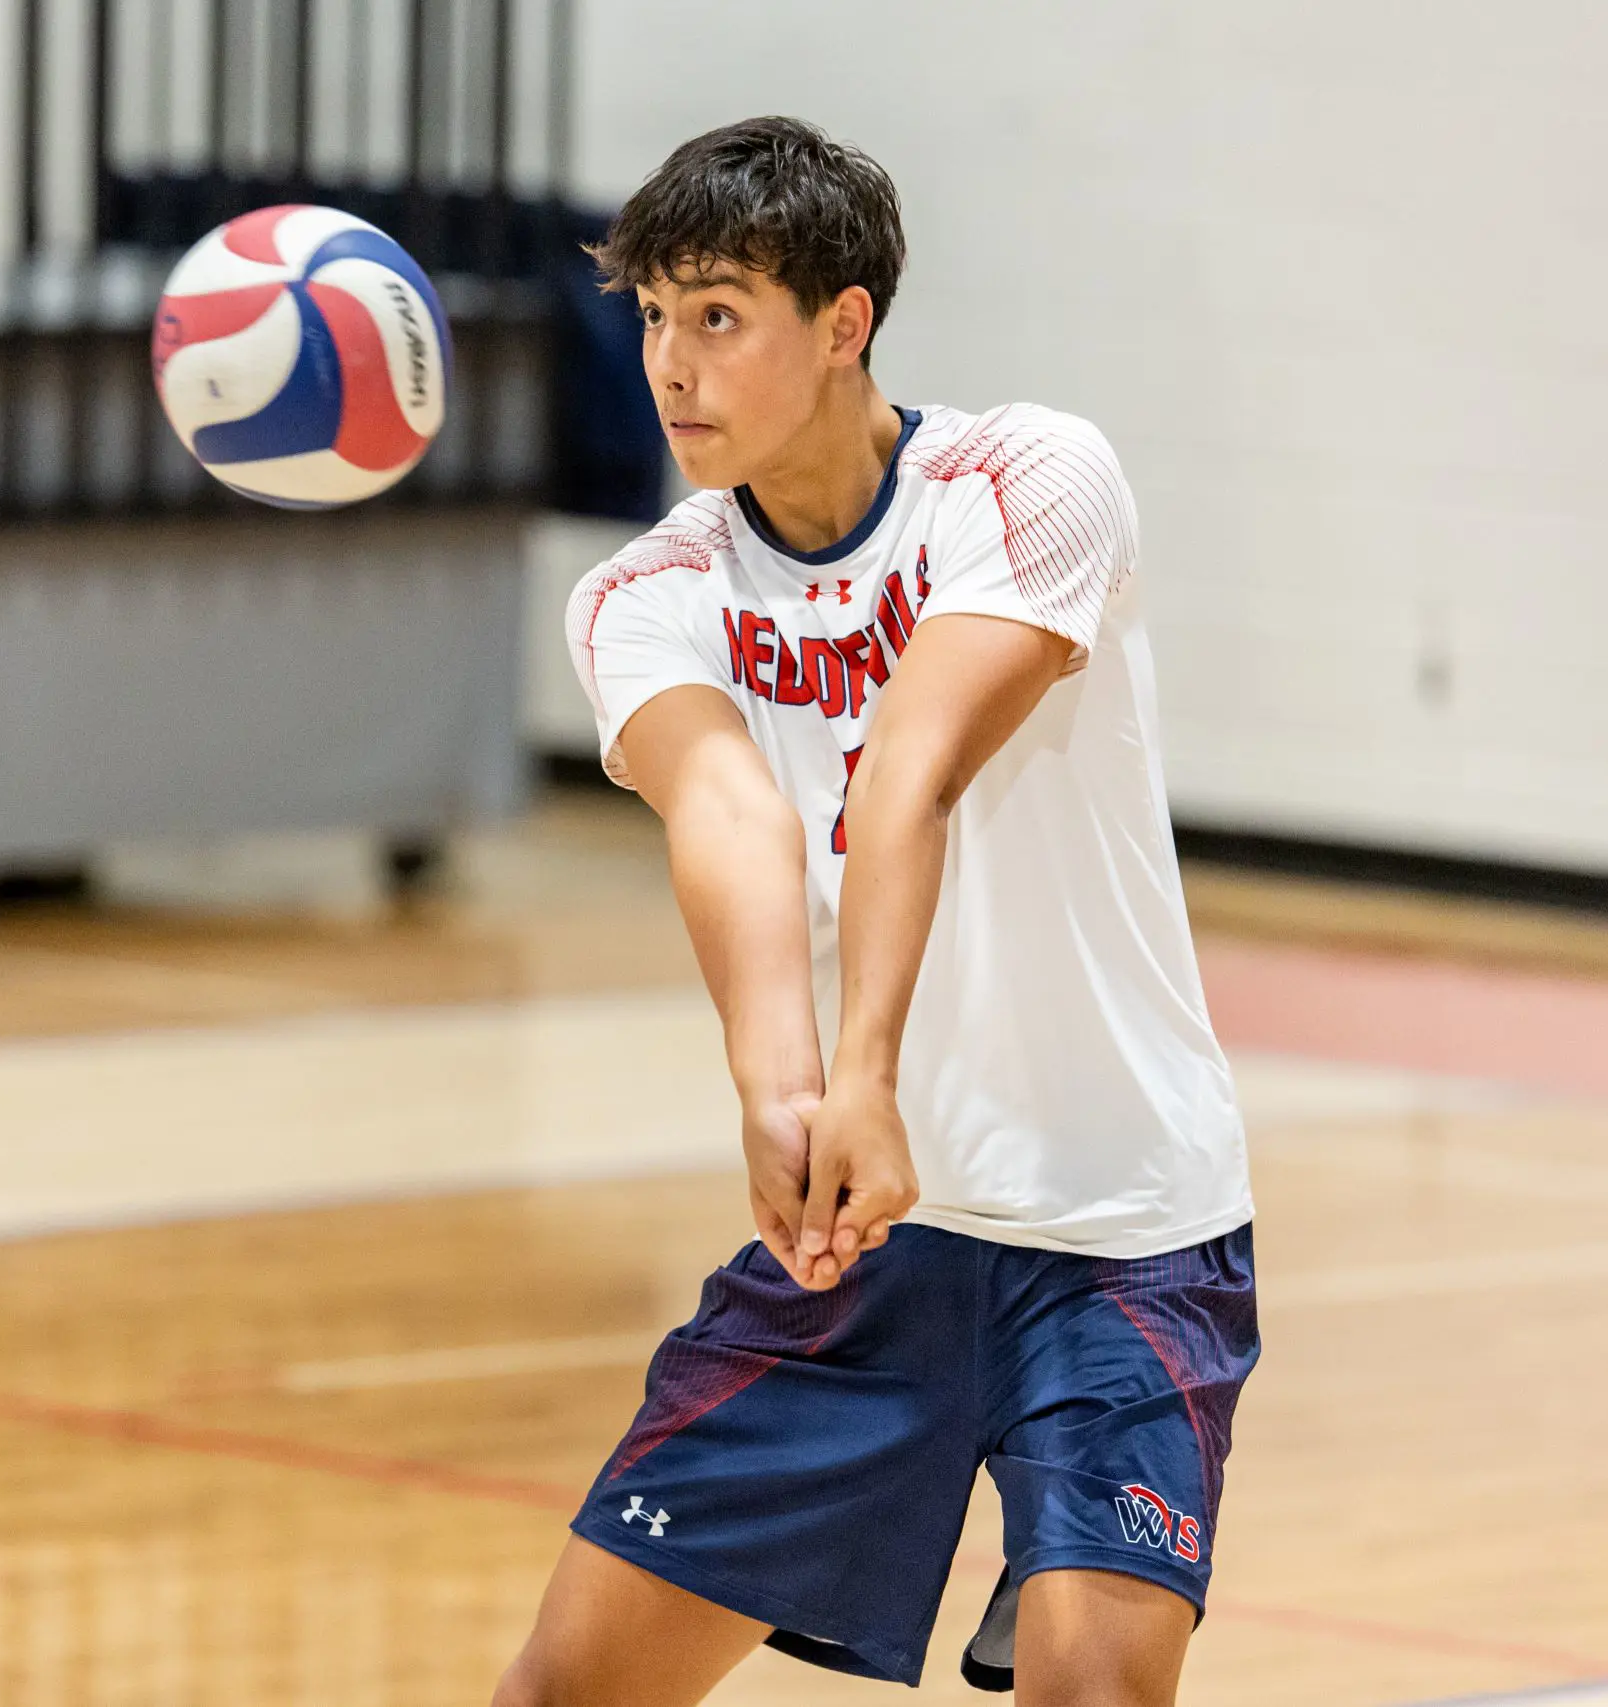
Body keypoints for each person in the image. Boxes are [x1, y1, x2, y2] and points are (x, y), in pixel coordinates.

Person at [493, 117, 1259, 1706]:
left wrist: (864, 1078)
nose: (670, 363)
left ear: (844, 324)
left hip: (1120, 1227)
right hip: (876, 1247)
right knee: (565, 1688)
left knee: (1093, 1689)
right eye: (651, 316)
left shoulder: (1032, 479)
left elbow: (905, 769)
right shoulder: (645, 596)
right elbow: (735, 821)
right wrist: (780, 1091)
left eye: (717, 314)